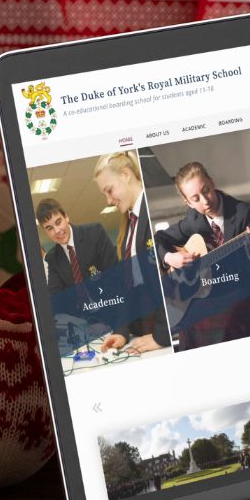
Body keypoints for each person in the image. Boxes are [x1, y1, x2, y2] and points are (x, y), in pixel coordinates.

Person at [154, 161, 250, 350]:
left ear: (212, 183)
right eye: (195, 198)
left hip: (242, 288)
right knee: (186, 321)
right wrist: (171, 258)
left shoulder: (245, 213)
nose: (205, 201)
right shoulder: (193, 219)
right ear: (187, 202)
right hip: (208, 291)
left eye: (206, 190)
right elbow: (159, 239)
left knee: (223, 318)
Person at [92, 152, 170, 355]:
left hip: (165, 330)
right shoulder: (128, 227)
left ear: (126, 174)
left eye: (109, 190)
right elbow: (129, 286)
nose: (108, 200)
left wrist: (162, 335)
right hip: (145, 326)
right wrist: (122, 331)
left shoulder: (154, 209)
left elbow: (169, 279)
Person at [35, 197, 117, 294]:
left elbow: (114, 272)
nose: (57, 231)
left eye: (58, 222)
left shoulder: (95, 233)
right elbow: (56, 295)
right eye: (49, 228)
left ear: (66, 217)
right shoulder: (52, 258)